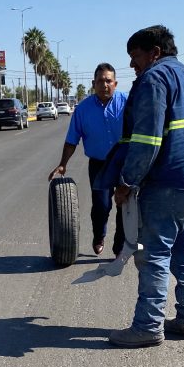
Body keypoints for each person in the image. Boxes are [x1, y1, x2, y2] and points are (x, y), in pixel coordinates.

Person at [106, 25, 184, 348]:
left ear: (155, 53)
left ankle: (148, 326)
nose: (132, 65)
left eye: (135, 56)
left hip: (172, 184)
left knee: (154, 255)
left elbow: (147, 141)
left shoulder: (153, 79)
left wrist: (126, 182)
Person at [48, 64, 128, 256]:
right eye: (100, 81)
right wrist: (63, 164)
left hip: (125, 163)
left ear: (115, 83)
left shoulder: (128, 102)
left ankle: (119, 246)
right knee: (101, 205)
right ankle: (99, 235)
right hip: (99, 164)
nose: (104, 85)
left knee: (125, 204)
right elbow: (72, 140)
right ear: (93, 83)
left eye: (108, 81)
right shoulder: (83, 109)